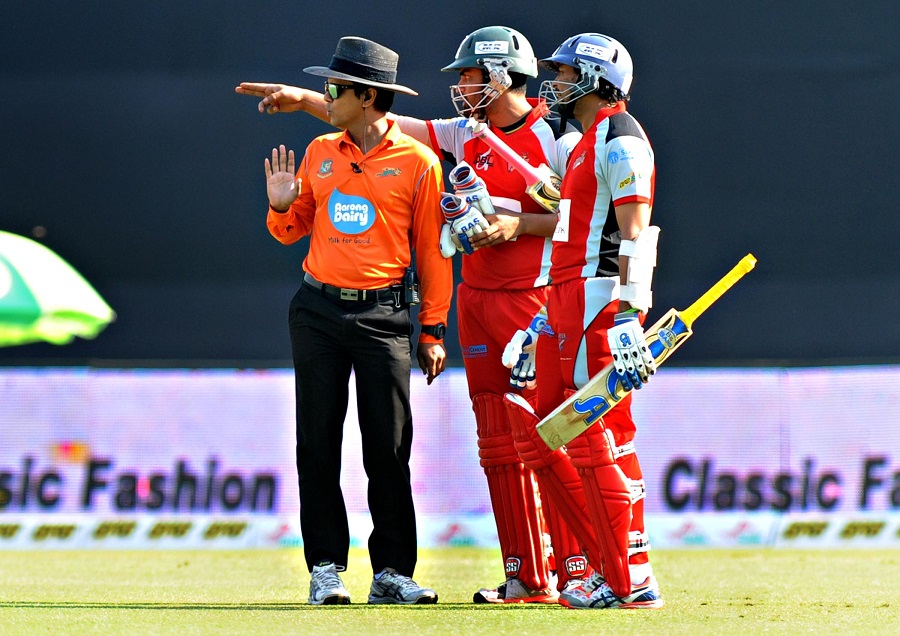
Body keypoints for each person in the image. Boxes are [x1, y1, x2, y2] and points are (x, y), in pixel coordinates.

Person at [237, 26, 600, 604]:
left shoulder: (527, 143)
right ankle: (339, 570)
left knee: (426, 446)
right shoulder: (450, 135)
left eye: (467, 74)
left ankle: (564, 567)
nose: (458, 86)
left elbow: (567, 222)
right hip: (349, 307)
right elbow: (301, 215)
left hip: (480, 307)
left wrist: (434, 325)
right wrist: (283, 196)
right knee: (331, 445)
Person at [261, 36, 452, 606]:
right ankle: (325, 568)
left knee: (388, 447)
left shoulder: (418, 162)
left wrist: (434, 329)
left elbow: (434, 251)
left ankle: (392, 572)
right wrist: (279, 204)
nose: (326, 97)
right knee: (316, 442)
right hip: (317, 309)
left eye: (334, 89)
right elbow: (291, 230)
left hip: (383, 316)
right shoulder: (320, 150)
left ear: (366, 97)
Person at [503, 32, 663, 609]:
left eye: (569, 73)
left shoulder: (621, 138)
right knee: (550, 433)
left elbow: (636, 233)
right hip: (566, 300)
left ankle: (630, 579)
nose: (559, 82)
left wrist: (626, 314)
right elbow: (569, 238)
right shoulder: (581, 142)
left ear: (597, 80)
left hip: (598, 301)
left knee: (598, 436)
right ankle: (604, 565)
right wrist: (542, 319)